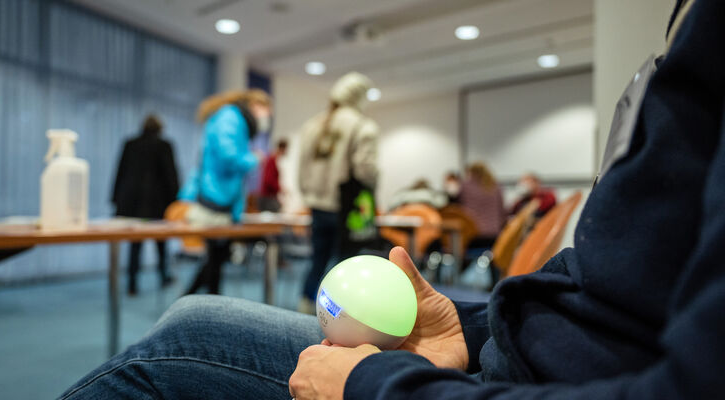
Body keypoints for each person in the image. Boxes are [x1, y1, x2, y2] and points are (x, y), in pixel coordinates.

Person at [61, 1, 725, 399]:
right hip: (498, 348)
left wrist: (372, 386)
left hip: (517, 375)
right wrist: (471, 331)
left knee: (187, 331)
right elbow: (609, 291)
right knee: (200, 312)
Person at [296, 72, 379, 313]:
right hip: (346, 205)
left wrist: (308, 194)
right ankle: (339, 315)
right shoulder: (363, 125)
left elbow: (302, 166)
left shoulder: (313, 124)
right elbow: (365, 169)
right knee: (345, 264)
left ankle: (305, 306)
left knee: (317, 259)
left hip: (317, 204)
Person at [178, 89, 272, 295]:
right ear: (254, 105)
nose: (267, 117)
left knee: (217, 258)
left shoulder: (235, 120)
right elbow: (228, 158)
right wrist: (254, 158)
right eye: (266, 110)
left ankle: (192, 301)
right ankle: (197, 304)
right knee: (215, 258)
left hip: (221, 199)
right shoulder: (231, 117)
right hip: (214, 200)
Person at [111, 114, 179, 296]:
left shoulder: (130, 144)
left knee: (135, 244)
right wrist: (176, 201)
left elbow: (120, 171)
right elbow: (171, 175)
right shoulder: (164, 145)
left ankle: (132, 284)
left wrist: (116, 199)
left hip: (133, 203)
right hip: (157, 203)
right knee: (161, 243)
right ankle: (163, 276)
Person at [459, 162, 505, 247]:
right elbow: (502, 210)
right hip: (493, 232)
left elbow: (459, 207)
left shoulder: (465, 186)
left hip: (473, 232)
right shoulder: (496, 185)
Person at [259, 138, 288, 212]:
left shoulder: (274, 159)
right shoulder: (272, 160)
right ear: (283, 149)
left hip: (269, 196)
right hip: (268, 197)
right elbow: (268, 180)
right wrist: (280, 189)